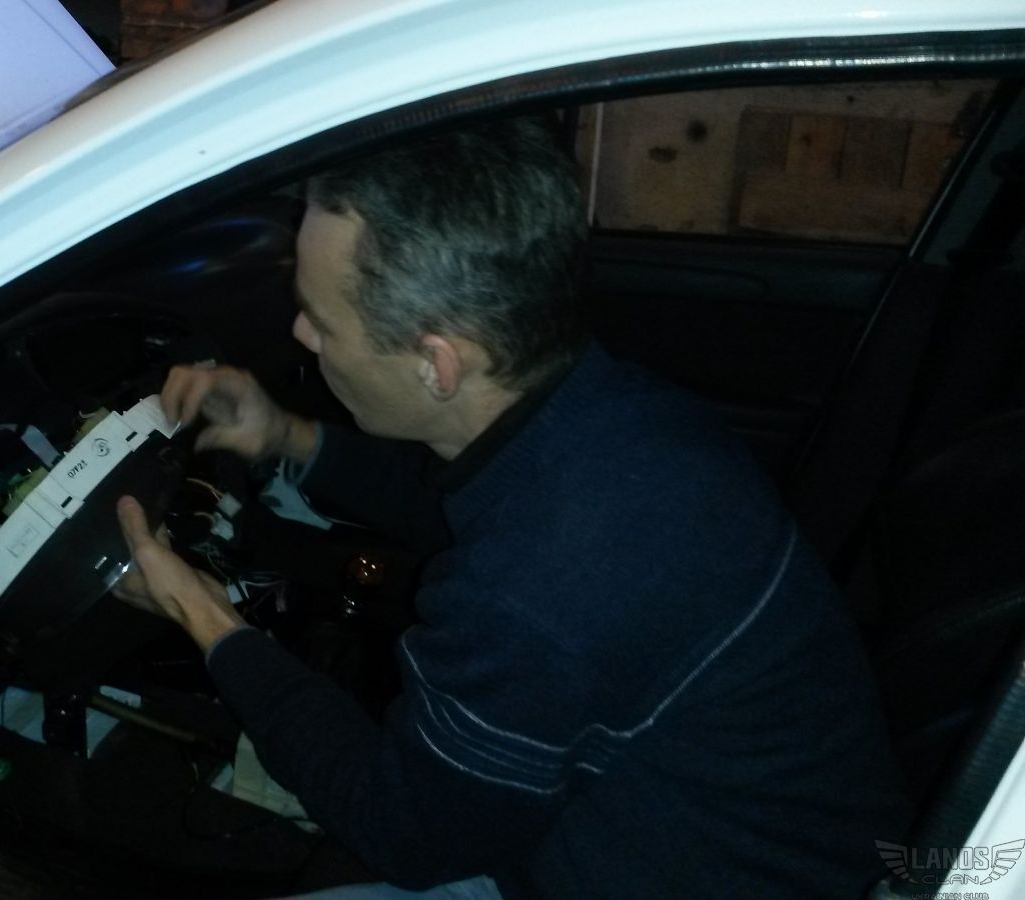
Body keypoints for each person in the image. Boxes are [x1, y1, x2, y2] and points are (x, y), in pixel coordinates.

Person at [112, 116, 909, 898]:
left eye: (322, 321)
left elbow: (402, 831)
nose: (300, 334)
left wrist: (204, 617)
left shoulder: (533, 591)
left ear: (437, 364)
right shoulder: (613, 410)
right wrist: (286, 433)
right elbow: (465, 505)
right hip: (657, 812)